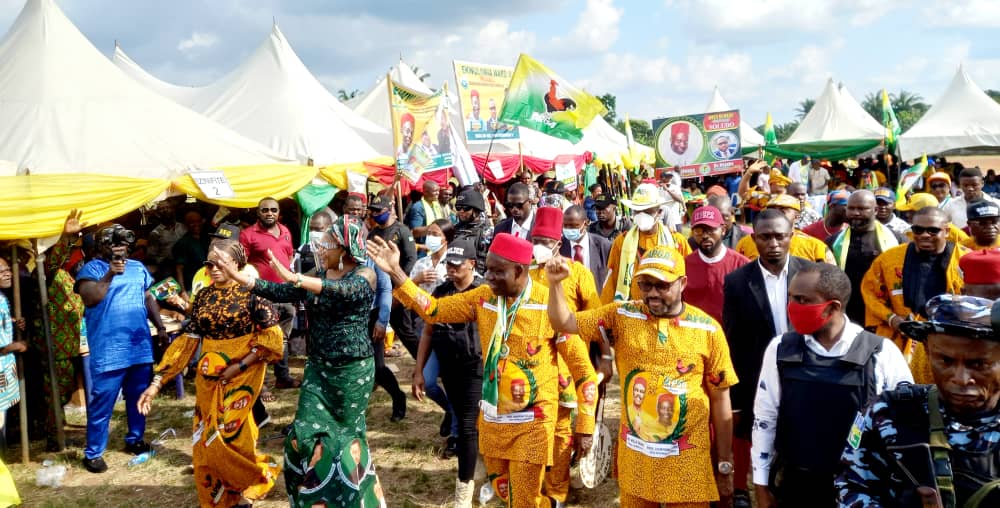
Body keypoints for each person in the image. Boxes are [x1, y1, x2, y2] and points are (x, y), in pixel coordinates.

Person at [368, 233, 598, 508]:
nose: (488, 276)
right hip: (492, 419)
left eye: (497, 271)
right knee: (503, 490)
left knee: (523, 499)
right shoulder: (484, 298)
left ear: (519, 271)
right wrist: (396, 271)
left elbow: (583, 371)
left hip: (534, 422)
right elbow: (434, 310)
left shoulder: (550, 306)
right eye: (487, 269)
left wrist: (585, 425)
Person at [547, 246, 738, 507]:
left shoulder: (706, 329)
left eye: (661, 285)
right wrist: (556, 285)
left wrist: (725, 462)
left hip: (687, 463)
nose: (652, 293)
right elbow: (564, 323)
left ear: (682, 283)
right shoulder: (623, 315)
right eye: (645, 285)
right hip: (637, 461)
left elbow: (720, 399)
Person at [221, 215, 385, 507]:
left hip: (352, 371)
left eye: (327, 244)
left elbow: (343, 291)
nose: (320, 249)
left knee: (342, 440)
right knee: (303, 433)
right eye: (319, 244)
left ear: (345, 248)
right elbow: (279, 290)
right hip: (318, 368)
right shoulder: (318, 273)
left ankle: (353, 498)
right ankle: (313, 499)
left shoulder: (364, 274)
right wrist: (239, 277)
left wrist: (296, 277)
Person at [751, 263, 912, 507]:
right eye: (791, 298)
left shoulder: (881, 353)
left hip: (862, 487)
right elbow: (765, 419)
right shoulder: (780, 349)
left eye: (802, 300)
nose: (792, 307)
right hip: (797, 484)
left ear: (833, 307)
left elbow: (903, 426)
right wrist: (761, 486)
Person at [137, 240, 284, 507]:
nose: (212, 267)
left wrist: (238, 366)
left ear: (237, 264)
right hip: (208, 377)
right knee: (208, 437)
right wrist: (157, 383)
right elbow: (186, 342)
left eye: (219, 262)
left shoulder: (252, 295)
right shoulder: (203, 296)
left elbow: (272, 342)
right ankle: (224, 493)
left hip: (242, 376)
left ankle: (241, 488)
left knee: (232, 434)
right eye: (208, 263)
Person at [836, 294, 1000, 507]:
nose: (960, 379)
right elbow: (852, 486)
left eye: (979, 365)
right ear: (927, 352)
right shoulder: (886, 412)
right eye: (945, 361)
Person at [722, 209, 812, 506]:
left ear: (791, 236)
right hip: (758, 379)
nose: (773, 243)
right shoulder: (737, 282)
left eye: (780, 236)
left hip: (807, 375)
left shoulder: (811, 275)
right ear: (754, 239)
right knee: (763, 441)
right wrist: (735, 398)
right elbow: (733, 341)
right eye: (765, 237)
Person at [74, 224, 166, 473]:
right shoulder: (90, 269)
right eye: (115, 244)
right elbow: (90, 298)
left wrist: (161, 327)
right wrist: (110, 275)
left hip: (139, 346)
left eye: (125, 244)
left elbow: (148, 297)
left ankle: (135, 439)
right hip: (108, 350)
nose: (121, 248)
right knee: (102, 401)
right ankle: (93, 453)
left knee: (139, 397)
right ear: (102, 246)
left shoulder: (137, 267)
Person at [527, 207, 602, 508]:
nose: (538, 246)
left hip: (570, 363)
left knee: (561, 435)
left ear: (558, 244)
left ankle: (557, 492)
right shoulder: (526, 274)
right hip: (533, 365)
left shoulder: (577, 274)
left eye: (544, 240)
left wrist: (603, 360)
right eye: (535, 239)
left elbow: (595, 319)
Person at [411, 239, 483, 506]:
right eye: (448, 265)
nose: (450, 270)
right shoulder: (441, 292)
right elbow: (428, 331)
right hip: (448, 366)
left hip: (476, 366)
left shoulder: (485, 291)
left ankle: (463, 490)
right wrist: (419, 371)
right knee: (467, 423)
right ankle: (476, 463)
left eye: (456, 265)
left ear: (471, 265)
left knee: (466, 426)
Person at [861, 206, 969, 384]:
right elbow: (870, 293)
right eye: (918, 229)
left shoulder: (965, 259)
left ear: (947, 231)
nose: (925, 235)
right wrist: (892, 319)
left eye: (933, 230)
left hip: (952, 345)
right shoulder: (888, 260)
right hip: (901, 342)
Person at [33, 211, 87, 451]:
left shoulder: (66, 275)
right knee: (55, 391)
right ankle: (54, 438)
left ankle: (59, 428)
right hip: (54, 345)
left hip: (70, 343)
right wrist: (66, 238)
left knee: (63, 390)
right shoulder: (48, 272)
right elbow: (53, 260)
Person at [239, 197, 299, 390]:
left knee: (282, 338)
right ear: (258, 212)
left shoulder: (286, 231)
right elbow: (242, 264)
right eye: (265, 210)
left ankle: (283, 377)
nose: (269, 213)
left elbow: (289, 257)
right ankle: (261, 382)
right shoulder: (248, 234)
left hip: (286, 293)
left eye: (273, 210)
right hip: (262, 294)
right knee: (262, 338)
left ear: (278, 212)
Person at [410, 218, 458, 445]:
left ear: (446, 238)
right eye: (428, 232)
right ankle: (449, 409)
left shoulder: (456, 263)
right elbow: (407, 294)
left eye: (435, 233)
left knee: (453, 383)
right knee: (428, 382)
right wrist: (418, 281)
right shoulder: (421, 264)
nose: (430, 237)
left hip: (453, 332)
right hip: (427, 329)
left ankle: (456, 435)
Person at [601, 183, 691, 304]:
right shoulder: (621, 242)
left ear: (659, 212)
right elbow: (612, 280)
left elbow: (687, 282)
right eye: (637, 211)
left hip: (665, 310)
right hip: (632, 311)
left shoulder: (677, 242)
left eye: (647, 211)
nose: (641, 216)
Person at [826, 190, 905, 325]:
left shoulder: (898, 240)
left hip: (885, 316)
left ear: (875, 210)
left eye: (862, 209)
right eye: (851, 208)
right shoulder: (832, 243)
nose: (856, 213)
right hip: (847, 315)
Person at [684, 206, 750, 324]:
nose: (705, 236)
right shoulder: (683, 265)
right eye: (698, 231)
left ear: (723, 230)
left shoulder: (743, 266)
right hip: (694, 336)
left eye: (710, 230)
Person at [736, 194, 835, 264]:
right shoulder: (745, 244)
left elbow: (830, 279)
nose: (776, 214)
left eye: (783, 211)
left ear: (796, 217)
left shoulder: (816, 247)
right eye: (772, 210)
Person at [0, 255, 26, 451]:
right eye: (2, 271)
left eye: (8, 269)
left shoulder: (2, 298)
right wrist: (14, 346)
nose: (8, 273)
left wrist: (12, 321)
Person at [559, 205, 611, 289]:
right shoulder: (559, 247)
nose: (569, 229)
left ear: (586, 223)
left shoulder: (604, 246)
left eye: (574, 225)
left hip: (597, 298)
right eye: (565, 225)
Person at [452, 187, 493, 275]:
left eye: (466, 208)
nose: (461, 211)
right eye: (458, 208)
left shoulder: (488, 232)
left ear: (476, 210)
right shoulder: (454, 229)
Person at [172, 210, 211, 292]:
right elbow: (179, 269)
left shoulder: (207, 238)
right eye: (192, 222)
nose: (196, 225)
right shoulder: (183, 243)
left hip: (209, 280)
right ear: (186, 225)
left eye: (198, 221)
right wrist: (183, 291)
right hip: (192, 285)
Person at [296, 211, 333, 275]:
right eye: (311, 229)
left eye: (318, 229)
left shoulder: (338, 250)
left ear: (329, 228)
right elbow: (294, 270)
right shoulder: (303, 249)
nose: (313, 232)